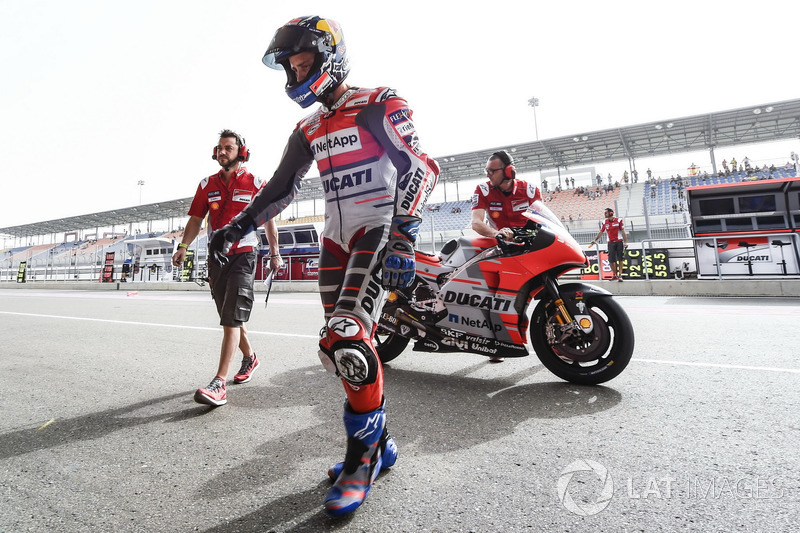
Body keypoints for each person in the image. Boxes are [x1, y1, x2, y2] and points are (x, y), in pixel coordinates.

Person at [208, 17, 439, 516]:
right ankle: (380, 445)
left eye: (304, 63)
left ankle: (360, 462)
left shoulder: (381, 102)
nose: (296, 74)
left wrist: (403, 236)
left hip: (377, 229)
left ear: (330, 56)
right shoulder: (308, 126)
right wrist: (235, 227)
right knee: (338, 349)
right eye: (291, 67)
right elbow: (280, 188)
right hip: (332, 241)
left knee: (348, 336)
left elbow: (420, 166)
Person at [172, 130, 283, 407]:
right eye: (219, 148)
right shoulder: (206, 184)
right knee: (227, 314)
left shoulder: (257, 183)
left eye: (228, 147)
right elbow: (196, 220)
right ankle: (250, 357)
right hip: (216, 256)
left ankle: (219, 383)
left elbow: (268, 221)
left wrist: (275, 253)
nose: (222, 152)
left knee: (231, 315)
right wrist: (183, 247)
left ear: (241, 151)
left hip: (245, 253)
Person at [471, 150, 541, 363]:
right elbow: (476, 222)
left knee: (530, 295)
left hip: (528, 247)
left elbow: (541, 220)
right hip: (501, 247)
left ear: (508, 170)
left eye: (492, 171)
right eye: (487, 171)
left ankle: (551, 343)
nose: (488, 175)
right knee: (498, 297)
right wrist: (497, 234)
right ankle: (497, 343)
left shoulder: (530, 190)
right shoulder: (482, 190)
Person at [590, 207, 628, 281]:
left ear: (610, 213)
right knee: (611, 260)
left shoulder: (619, 220)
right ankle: (614, 275)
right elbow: (601, 232)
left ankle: (620, 275)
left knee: (620, 259)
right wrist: (595, 240)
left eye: (606, 213)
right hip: (610, 243)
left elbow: (623, 231)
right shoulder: (604, 222)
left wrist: (625, 242)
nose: (605, 214)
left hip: (619, 242)